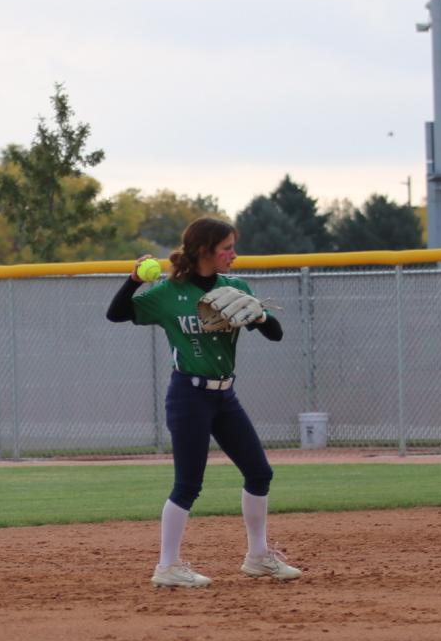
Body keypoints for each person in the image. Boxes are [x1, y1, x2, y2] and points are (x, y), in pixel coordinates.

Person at [105, 218, 301, 589]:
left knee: (259, 473)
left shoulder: (235, 286)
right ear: (204, 250)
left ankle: (258, 558)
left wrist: (259, 315)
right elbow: (116, 314)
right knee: (188, 484)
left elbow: (275, 333)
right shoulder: (168, 292)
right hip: (189, 396)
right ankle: (167, 565)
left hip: (224, 396)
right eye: (226, 247)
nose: (234, 254)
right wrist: (133, 280)